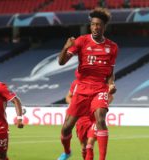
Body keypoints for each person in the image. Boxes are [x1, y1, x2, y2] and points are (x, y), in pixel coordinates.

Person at [57, 7, 118, 160]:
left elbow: (110, 71)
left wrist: (111, 84)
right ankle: (67, 151)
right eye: (93, 24)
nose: (95, 27)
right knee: (66, 128)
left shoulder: (112, 47)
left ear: (104, 26)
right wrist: (65, 47)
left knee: (100, 118)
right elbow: (61, 62)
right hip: (82, 87)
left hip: (100, 88)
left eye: (98, 25)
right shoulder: (82, 41)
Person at [66, 80, 115, 160]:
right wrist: (76, 105)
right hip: (81, 119)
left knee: (90, 142)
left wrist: (100, 105)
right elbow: (68, 96)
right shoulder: (76, 82)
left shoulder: (100, 81)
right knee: (83, 147)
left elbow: (111, 96)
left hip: (93, 119)